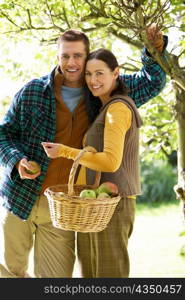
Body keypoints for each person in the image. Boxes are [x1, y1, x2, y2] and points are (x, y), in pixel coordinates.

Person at [0, 26, 167, 278]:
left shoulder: (100, 89)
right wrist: (17, 160)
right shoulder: (32, 91)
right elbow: (4, 134)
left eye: (78, 56)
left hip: (61, 207)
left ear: (86, 57)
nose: (71, 62)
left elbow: (153, 82)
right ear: (57, 57)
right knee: (9, 274)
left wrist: (152, 50)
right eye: (65, 56)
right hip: (19, 198)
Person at [42, 48, 143, 278]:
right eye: (88, 74)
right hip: (96, 204)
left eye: (100, 73)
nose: (93, 80)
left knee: (110, 277)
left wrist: (65, 152)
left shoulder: (117, 109)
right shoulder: (104, 108)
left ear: (115, 73)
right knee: (89, 276)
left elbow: (110, 162)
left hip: (114, 205)